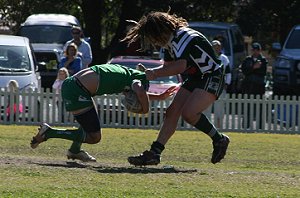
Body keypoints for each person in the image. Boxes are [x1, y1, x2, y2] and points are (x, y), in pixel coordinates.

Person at [122, 11, 230, 166]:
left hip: (211, 75)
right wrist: (149, 74)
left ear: (158, 31)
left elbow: (180, 66)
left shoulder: (182, 36)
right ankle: (155, 153)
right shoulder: (170, 42)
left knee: (189, 113)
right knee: (172, 112)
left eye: (151, 36)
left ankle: (219, 139)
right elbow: (168, 67)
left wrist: (155, 73)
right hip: (196, 77)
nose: (152, 42)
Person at [30, 64, 177, 162]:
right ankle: (49, 133)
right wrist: (145, 110)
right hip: (77, 91)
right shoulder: (138, 79)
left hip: (76, 87)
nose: (128, 96)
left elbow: (137, 91)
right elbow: (138, 89)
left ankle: (74, 151)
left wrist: (160, 97)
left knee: (89, 124)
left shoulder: (128, 74)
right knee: (94, 137)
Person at [241, 42, 268, 129]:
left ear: (260, 50)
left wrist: (253, 70)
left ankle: (259, 127)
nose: (255, 51)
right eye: (253, 50)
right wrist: (253, 67)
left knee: (259, 108)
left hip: (259, 87)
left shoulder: (263, 60)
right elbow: (245, 71)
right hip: (248, 86)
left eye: (257, 50)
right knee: (247, 107)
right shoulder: (247, 60)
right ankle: (246, 126)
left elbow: (263, 72)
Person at [211, 40, 231, 129]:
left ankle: (219, 126)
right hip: (209, 85)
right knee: (206, 106)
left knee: (220, 107)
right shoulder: (209, 56)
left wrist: (227, 83)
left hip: (221, 85)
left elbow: (228, 72)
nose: (217, 48)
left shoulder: (224, 58)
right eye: (215, 46)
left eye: (218, 46)